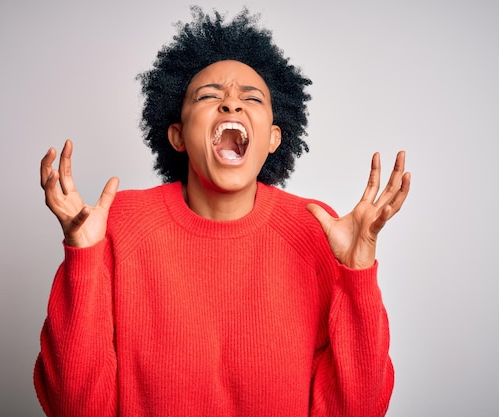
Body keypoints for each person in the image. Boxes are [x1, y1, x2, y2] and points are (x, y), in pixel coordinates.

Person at [34, 7, 410, 417]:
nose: (231, 105)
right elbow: (73, 408)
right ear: (178, 135)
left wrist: (358, 277)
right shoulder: (121, 225)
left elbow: (357, 409)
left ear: (272, 138)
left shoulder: (314, 229)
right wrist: (83, 260)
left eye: (251, 98)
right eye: (210, 96)